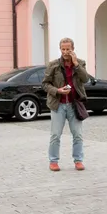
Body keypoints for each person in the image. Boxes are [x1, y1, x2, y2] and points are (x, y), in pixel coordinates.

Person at [43, 38, 90, 171]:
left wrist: (76, 64)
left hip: (74, 104)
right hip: (58, 105)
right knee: (55, 135)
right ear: (60, 49)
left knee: (78, 134)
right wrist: (57, 91)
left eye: (68, 49)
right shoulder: (53, 65)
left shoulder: (80, 63)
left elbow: (85, 79)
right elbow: (45, 84)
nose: (65, 52)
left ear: (72, 49)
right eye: (63, 49)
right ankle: (53, 161)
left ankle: (78, 160)